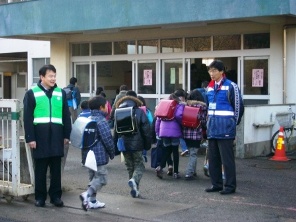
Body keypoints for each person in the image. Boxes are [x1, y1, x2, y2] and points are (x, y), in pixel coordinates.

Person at [23, 64, 72, 208]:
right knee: (41, 169)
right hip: (40, 137)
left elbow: (66, 115)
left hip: (57, 136)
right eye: (50, 76)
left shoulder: (60, 93)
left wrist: (66, 135)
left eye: (54, 76)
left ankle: (56, 196)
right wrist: (30, 137)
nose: (53, 78)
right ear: (42, 77)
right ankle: (40, 197)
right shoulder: (32, 93)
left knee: (56, 169)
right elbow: (27, 118)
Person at [205, 60, 244, 195]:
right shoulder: (209, 87)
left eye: (214, 70)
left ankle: (230, 186)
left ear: (222, 72)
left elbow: (239, 107)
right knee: (213, 159)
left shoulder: (231, 86)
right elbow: (207, 107)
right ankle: (216, 184)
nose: (212, 73)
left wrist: (233, 123)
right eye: (210, 71)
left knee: (227, 160)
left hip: (226, 128)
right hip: (212, 129)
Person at [79, 96, 115, 211]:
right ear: (101, 107)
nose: (107, 108)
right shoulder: (101, 121)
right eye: (106, 106)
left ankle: (92, 202)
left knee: (93, 178)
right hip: (98, 155)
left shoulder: (88, 119)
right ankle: (87, 195)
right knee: (102, 178)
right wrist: (112, 153)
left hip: (87, 155)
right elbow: (107, 139)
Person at [114, 90, 152, 198]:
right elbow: (146, 130)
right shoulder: (139, 112)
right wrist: (147, 144)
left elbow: (116, 131)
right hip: (137, 144)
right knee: (139, 166)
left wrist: (114, 147)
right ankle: (134, 181)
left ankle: (135, 190)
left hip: (124, 145)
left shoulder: (118, 111)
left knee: (130, 167)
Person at [155, 93, 184, 179]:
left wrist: (157, 132)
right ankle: (175, 172)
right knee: (175, 151)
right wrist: (181, 125)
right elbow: (179, 116)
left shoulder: (163, 105)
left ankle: (160, 167)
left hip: (163, 131)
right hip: (174, 131)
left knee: (166, 150)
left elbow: (158, 120)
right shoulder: (178, 105)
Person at [182, 89, 207, 180]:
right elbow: (203, 121)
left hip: (186, 133)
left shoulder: (186, 106)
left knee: (192, 152)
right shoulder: (202, 107)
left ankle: (193, 171)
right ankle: (189, 173)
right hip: (196, 134)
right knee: (193, 154)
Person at [137, 95, 153, 162]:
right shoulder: (147, 110)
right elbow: (151, 120)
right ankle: (143, 155)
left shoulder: (134, 110)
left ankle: (140, 157)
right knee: (144, 142)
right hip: (145, 130)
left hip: (137, 131)